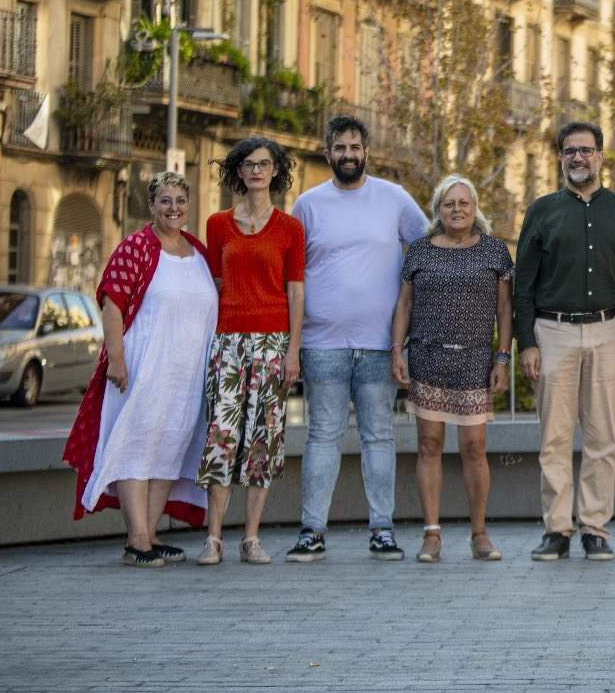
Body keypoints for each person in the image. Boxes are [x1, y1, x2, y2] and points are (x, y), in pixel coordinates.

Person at [285, 116, 426, 564]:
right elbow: (292, 274)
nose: (348, 155)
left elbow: (426, 251)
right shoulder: (307, 205)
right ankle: (312, 531)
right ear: (327, 153)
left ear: (367, 151)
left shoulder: (395, 198)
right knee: (322, 436)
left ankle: (382, 530)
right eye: (339, 148)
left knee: (379, 436)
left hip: (381, 344)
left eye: (355, 147)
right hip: (321, 343)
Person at [63, 172, 218, 567]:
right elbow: (112, 302)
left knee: (169, 447)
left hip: (185, 375)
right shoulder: (136, 247)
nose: (174, 209)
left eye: (180, 201)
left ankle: (149, 534)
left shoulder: (198, 252)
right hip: (141, 366)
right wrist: (116, 358)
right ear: (152, 206)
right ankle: (136, 540)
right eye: (165, 201)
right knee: (136, 443)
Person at [514, 122, 615, 561]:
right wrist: (525, 342)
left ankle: (595, 528)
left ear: (601, 156)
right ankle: (557, 529)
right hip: (552, 332)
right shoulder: (542, 210)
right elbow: (524, 284)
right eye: (570, 151)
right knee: (553, 436)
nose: (578, 158)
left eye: (586, 151)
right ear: (560, 157)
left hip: (610, 330)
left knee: (603, 435)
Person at [392, 175, 513, 563]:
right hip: (428, 358)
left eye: (463, 203)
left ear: (475, 208)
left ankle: (479, 533)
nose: (457, 209)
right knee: (428, 445)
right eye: (449, 204)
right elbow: (405, 305)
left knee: (474, 448)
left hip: (476, 361)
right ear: (437, 211)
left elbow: (505, 309)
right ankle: (431, 535)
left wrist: (503, 358)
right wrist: (398, 351)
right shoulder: (420, 251)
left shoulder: (495, 251)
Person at [196, 137, 306, 566]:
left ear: (276, 171)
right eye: (249, 164)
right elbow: (213, 287)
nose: (257, 170)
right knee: (221, 437)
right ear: (237, 172)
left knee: (264, 439)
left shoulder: (290, 229)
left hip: (273, 341)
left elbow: (296, 293)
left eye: (265, 164)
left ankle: (251, 538)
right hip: (228, 341)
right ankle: (213, 538)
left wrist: (294, 349)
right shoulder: (217, 224)